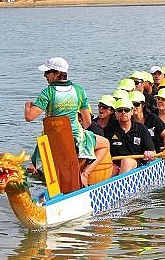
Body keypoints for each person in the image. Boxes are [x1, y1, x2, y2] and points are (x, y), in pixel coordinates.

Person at [24, 57, 110, 187]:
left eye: (47, 72)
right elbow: (87, 123)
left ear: (57, 73)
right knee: (105, 144)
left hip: (53, 142)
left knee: (39, 148)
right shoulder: (79, 91)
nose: (44, 75)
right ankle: (85, 174)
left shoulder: (47, 93)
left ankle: (43, 175)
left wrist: (27, 105)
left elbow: (29, 117)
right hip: (75, 139)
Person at [104, 97, 155, 174]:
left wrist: (149, 154)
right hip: (114, 163)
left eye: (126, 110)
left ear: (131, 112)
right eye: (120, 110)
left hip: (136, 162)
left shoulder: (141, 128)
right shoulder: (108, 129)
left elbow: (152, 151)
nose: (123, 112)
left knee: (126, 161)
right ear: (116, 113)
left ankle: (120, 184)